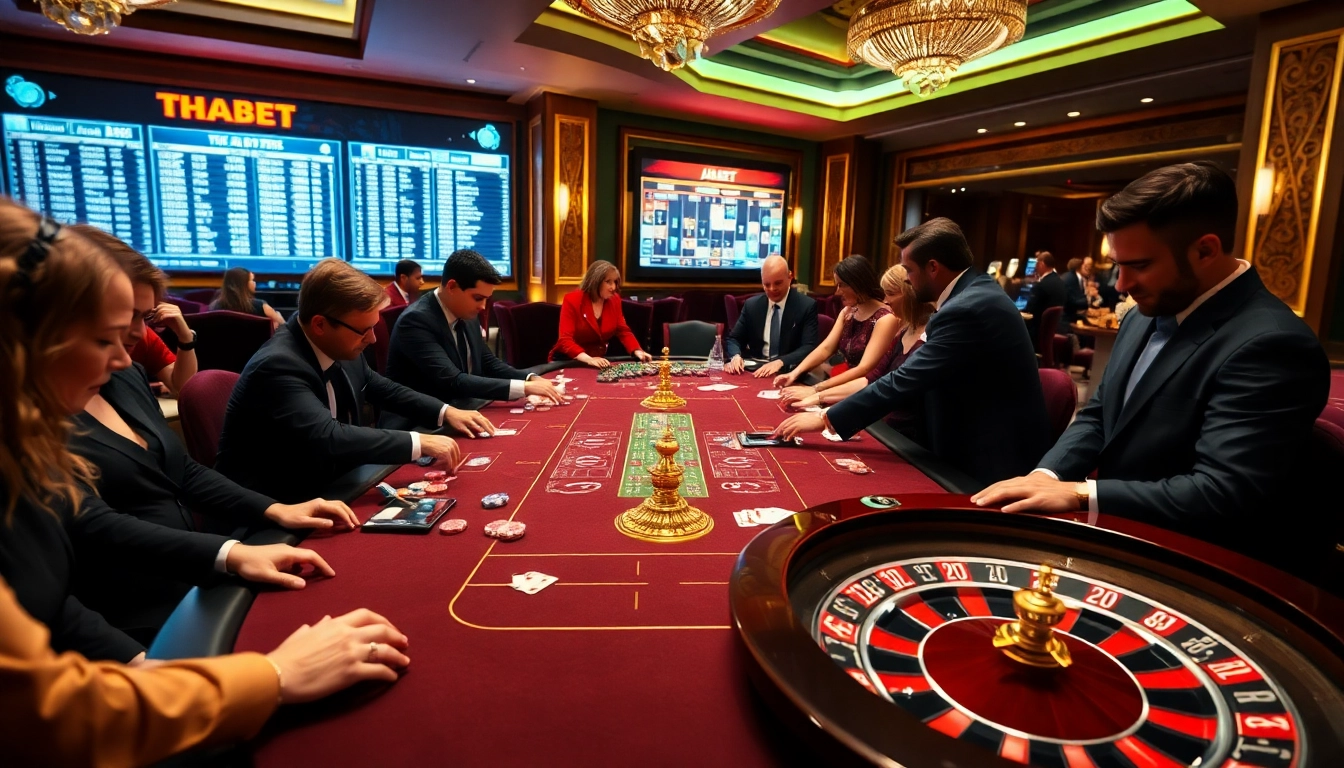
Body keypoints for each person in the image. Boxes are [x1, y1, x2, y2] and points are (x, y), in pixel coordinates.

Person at [0, 199, 408, 767]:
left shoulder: (28, 438)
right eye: (105, 338)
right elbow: (51, 711)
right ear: (20, 344)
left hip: (147, 609)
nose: (126, 357)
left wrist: (236, 547)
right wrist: (272, 675)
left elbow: (37, 595)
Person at [972, 162, 1330, 567]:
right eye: (1118, 264)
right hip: (1119, 536)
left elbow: (1221, 491)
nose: (1121, 285)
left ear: (1205, 250)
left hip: (1200, 565)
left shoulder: (1273, 344)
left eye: (1139, 266)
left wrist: (1080, 493)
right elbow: (1100, 415)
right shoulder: (1141, 313)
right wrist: (1047, 477)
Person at [69, 237, 360, 645]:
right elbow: (88, 528)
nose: (134, 340)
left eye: (143, 316)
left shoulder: (125, 374)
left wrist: (276, 510)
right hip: (132, 611)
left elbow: (181, 470)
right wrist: (227, 554)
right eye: (118, 323)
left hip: (197, 575)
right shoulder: (31, 418)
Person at [774, 218, 1051, 486]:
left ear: (933, 267)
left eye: (909, 270)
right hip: (971, 440)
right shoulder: (974, 294)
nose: (907, 279)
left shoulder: (965, 308)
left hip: (987, 463)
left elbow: (905, 380)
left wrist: (825, 417)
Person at [216, 258, 495, 503]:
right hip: (277, 507)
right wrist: (420, 442)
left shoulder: (341, 345)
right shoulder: (278, 366)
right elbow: (331, 437)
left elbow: (381, 387)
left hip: (334, 483)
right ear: (320, 325)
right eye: (364, 330)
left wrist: (446, 412)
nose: (372, 339)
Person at [386, 249, 560, 415]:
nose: (483, 307)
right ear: (452, 287)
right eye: (478, 298)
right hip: (420, 422)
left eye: (486, 299)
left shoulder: (465, 312)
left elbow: (488, 362)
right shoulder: (415, 321)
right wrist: (524, 388)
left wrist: (530, 378)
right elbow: (453, 381)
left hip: (464, 408)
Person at [786, 265, 933, 444]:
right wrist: (816, 396)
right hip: (883, 425)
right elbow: (872, 379)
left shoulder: (930, 336)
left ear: (909, 292)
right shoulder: (903, 331)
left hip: (910, 438)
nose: (886, 300)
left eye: (890, 293)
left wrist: (824, 417)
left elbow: (887, 386)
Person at [70, 225, 198, 397]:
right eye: (128, 315)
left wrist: (186, 339)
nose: (140, 333)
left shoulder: (144, 338)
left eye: (146, 316)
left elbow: (182, 389)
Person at [773, 255, 898, 403]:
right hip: (841, 388)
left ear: (858, 283)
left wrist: (816, 389)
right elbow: (826, 348)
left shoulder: (885, 319)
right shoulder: (848, 312)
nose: (837, 292)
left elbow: (864, 368)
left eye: (842, 285)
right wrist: (794, 373)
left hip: (868, 394)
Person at [722, 255, 819, 378]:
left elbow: (809, 347)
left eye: (778, 283)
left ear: (790, 277)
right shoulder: (752, 305)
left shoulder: (806, 306)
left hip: (788, 371)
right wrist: (735, 356)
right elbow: (734, 339)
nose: (772, 289)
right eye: (767, 285)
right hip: (755, 371)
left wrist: (780, 361)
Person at [550, 260, 653, 367]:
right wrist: (589, 359)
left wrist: (637, 350)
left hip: (598, 361)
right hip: (569, 360)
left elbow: (622, 330)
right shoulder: (572, 300)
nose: (613, 287)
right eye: (608, 282)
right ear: (595, 281)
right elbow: (565, 340)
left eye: (615, 282)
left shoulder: (614, 300)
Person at [210, 266, 284, 330]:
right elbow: (284, 326)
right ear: (244, 284)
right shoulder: (261, 306)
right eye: (252, 280)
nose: (255, 283)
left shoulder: (215, 307)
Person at [1022, 252, 1067, 341]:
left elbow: (1030, 311)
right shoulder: (1061, 283)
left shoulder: (1040, 286)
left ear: (1042, 264)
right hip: (1055, 330)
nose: (1035, 267)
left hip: (1038, 333)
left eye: (1036, 264)